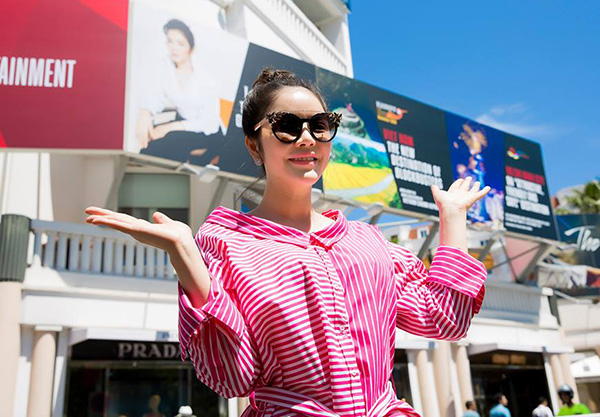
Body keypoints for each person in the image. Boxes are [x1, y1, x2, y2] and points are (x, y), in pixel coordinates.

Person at [85, 68, 489, 416]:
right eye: (287, 126)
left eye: (320, 125)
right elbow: (233, 376)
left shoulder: (369, 243)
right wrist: (186, 258)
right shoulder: (227, 244)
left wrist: (453, 217)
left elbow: (445, 318)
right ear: (254, 145)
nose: (307, 138)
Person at [136, 19, 220, 150]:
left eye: (180, 44)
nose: (174, 48)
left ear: (191, 48)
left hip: (205, 133)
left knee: (166, 142)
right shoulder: (167, 68)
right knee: (151, 139)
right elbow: (156, 96)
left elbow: (210, 123)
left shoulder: (205, 79)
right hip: (181, 125)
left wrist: (170, 127)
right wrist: (145, 112)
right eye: (170, 41)